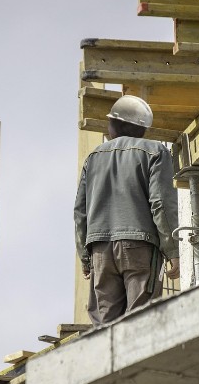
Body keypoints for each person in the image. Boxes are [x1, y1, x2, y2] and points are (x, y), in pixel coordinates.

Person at [74, 94, 180, 325]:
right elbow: (160, 203)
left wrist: (85, 257)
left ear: (112, 125)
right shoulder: (155, 152)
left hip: (100, 252)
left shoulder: (93, 158)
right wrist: (172, 250)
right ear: (142, 129)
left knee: (105, 328)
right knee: (139, 324)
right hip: (139, 247)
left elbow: (80, 211)